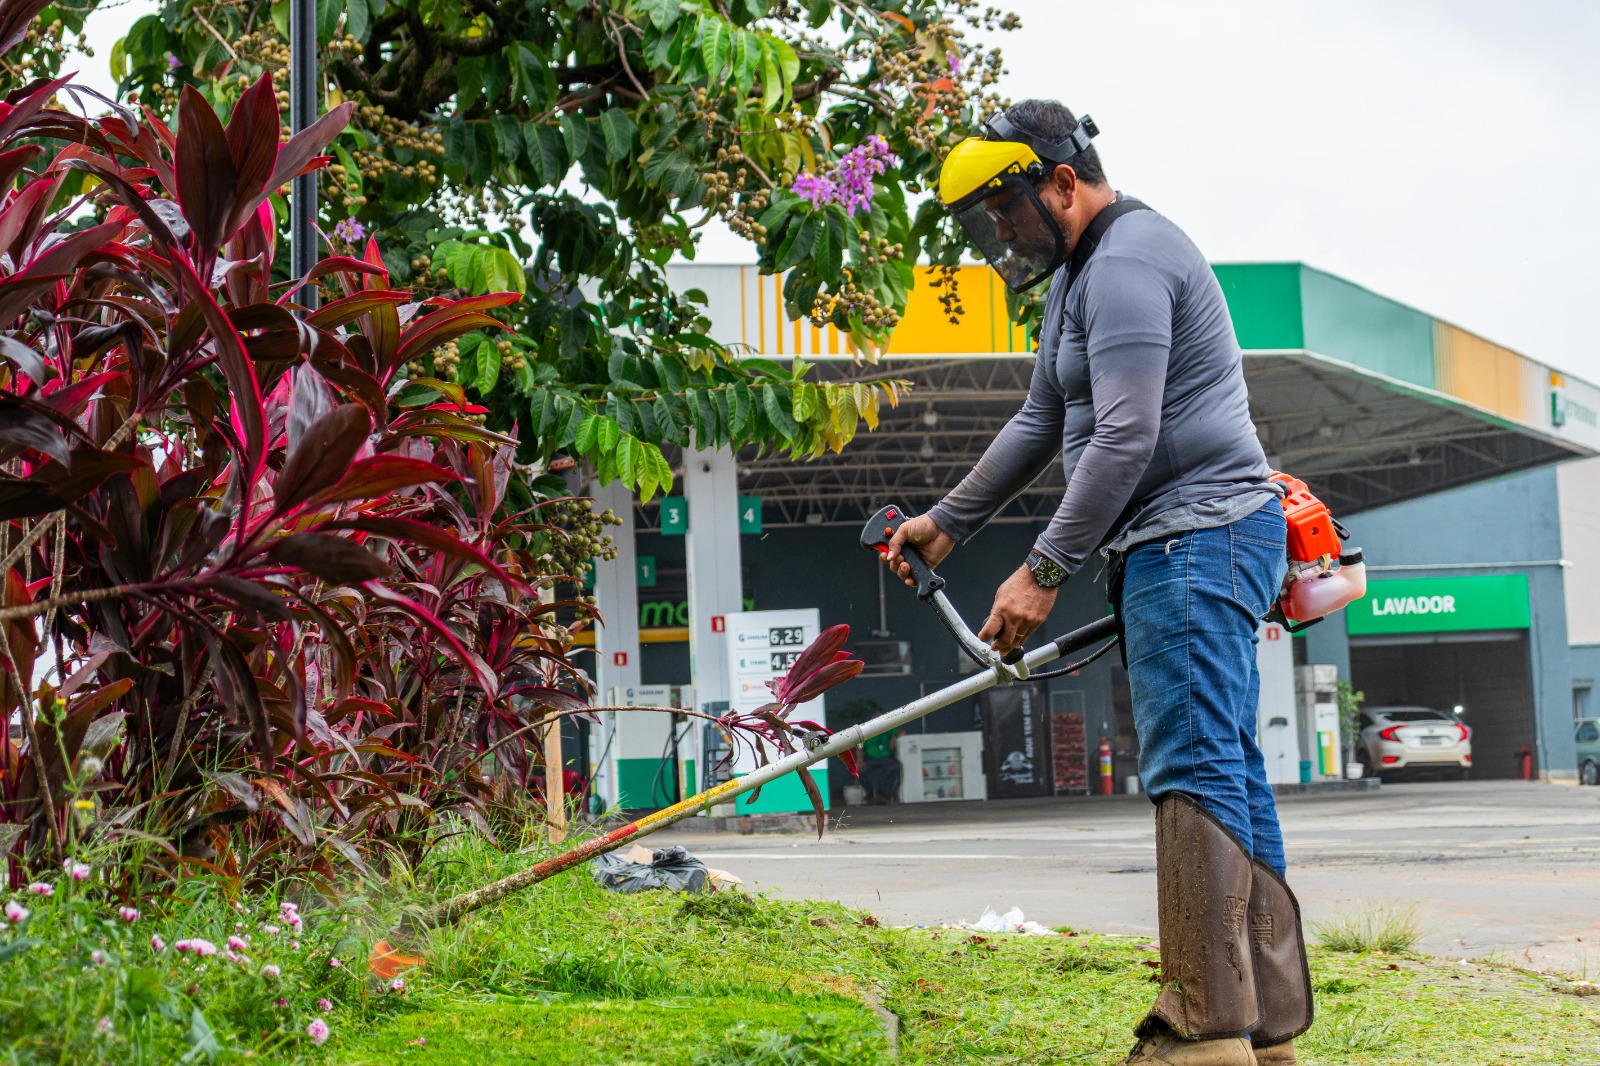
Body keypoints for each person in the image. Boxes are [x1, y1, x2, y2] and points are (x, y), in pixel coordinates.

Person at [882, 100, 1313, 1066]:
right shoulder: (1080, 279)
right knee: (1226, 770)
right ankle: (1270, 1037)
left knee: (1195, 772)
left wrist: (1041, 572)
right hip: (1183, 543)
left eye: (1003, 212)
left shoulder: (1123, 263)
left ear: (1061, 183)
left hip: (1198, 538)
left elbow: (1126, 435)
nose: (997, 236)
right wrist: (947, 522)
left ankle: (1201, 1036)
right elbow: (1043, 419)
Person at [860, 726, 903, 804]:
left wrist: (895, 737)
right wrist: (860, 760)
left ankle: (886, 792)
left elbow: (900, 733)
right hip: (870, 758)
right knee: (859, 770)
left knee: (896, 768)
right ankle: (870, 793)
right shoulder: (865, 731)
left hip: (885, 758)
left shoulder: (888, 729)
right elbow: (859, 747)